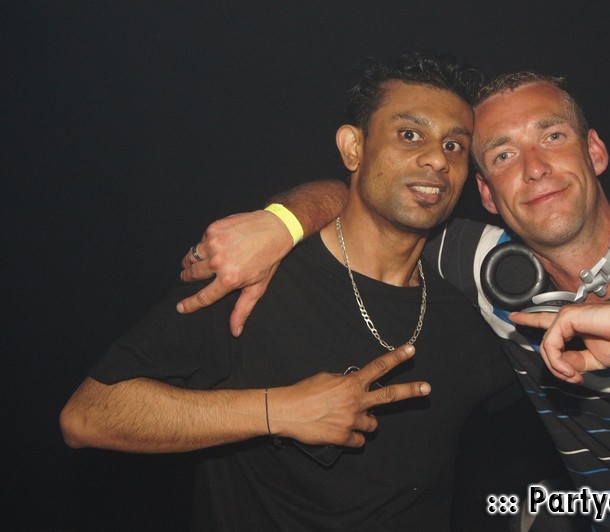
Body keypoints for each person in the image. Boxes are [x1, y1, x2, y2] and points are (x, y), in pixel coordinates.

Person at [178, 70, 610, 530]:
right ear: (485, 193)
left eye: (552, 135)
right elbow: (374, 194)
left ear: (595, 151)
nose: (534, 166)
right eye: (503, 154)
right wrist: (282, 222)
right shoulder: (488, 270)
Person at [60, 52, 525, 530]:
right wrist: (279, 410)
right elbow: (89, 415)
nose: (437, 159)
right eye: (410, 134)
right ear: (353, 148)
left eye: (454, 145)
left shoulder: (468, 315)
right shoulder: (257, 281)